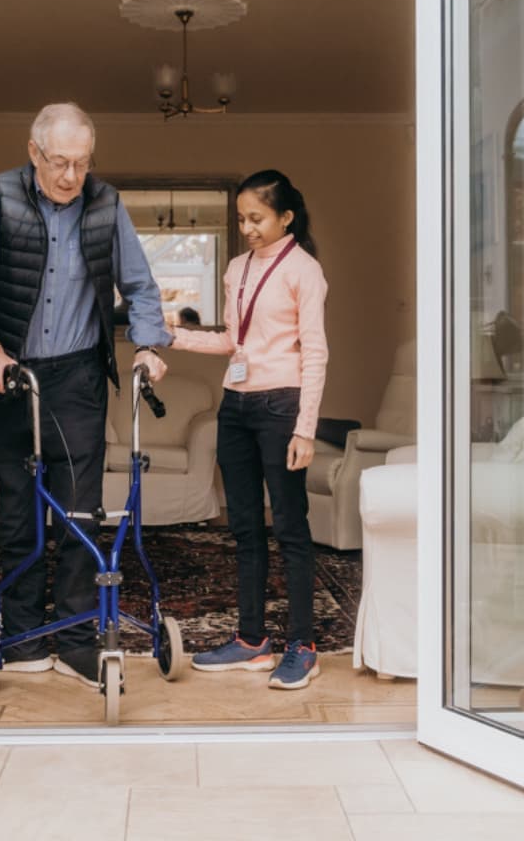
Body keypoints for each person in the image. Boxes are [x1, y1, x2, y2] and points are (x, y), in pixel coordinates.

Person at [0, 102, 169, 688]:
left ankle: (75, 638)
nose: (72, 176)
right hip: (14, 368)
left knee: (78, 507)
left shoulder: (107, 204)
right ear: (33, 152)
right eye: (60, 162)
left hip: (78, 375)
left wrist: (147, 345)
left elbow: (140, 286)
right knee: (19, 503)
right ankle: (21, 638)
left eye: (83, 162)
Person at [167, 170, 328, 690]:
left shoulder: (304, 270)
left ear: (285, 217)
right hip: (235, 407)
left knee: (290, 526)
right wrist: (175, 337)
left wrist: (305, 429)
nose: (247, 227)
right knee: (243, 526)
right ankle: (253, 640)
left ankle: (303, 645)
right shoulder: (236, 268)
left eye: (256, 218)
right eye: (241, 218)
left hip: (282, 407)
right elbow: (235, 342)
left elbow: (316, 353)